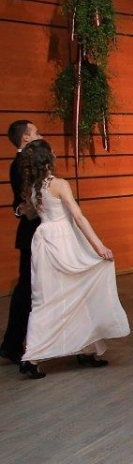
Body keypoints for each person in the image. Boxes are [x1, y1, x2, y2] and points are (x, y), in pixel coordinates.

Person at [17, 139, 129, 373]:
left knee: (47, 298)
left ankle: (81, 350)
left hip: (43, 240)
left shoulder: (34, 187)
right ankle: (41, 355)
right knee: (79, 292)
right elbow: (78, 217)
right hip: (64, 239)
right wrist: (99, 246)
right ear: (47, 159)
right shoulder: (59, 184)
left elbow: (30, 216)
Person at [1, 120, 44, 377]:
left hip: (39, 232)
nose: (41, 135)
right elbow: (23, 202)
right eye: (36, 132)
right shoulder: (21, 164)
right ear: (26, 138)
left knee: (30, 289)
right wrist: (24, 210)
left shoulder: (27, 162)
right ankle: (13, 344)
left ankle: (17, 343)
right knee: (26, 290)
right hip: (33, 233)